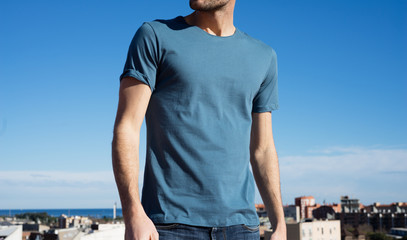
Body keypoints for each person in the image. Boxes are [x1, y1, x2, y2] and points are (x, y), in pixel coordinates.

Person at [112, 0, 286, 239]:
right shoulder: (154, 36)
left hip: (242, 228)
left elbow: (263, 148)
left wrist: (280, 224)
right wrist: (133, 213)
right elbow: (127, 128)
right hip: (170, 225)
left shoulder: (264, 57)